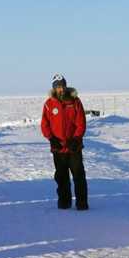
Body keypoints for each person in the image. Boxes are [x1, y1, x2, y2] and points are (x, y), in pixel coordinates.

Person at [40, 74, 88, 210]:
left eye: (63, 86)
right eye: (59, 87)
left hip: (74, 147)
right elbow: (45, 125)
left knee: (78, 175)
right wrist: (51, 138)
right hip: (58, 148)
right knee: (61, 177)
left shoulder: (76, 102)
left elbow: (81, 123)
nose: (61, 89)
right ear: (55, 89)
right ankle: (64, 202)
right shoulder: (49, 104)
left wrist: (76, 138)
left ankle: (81, 203)